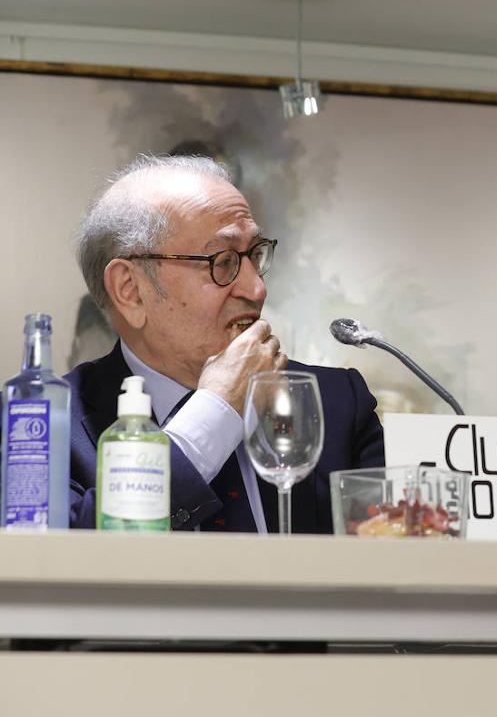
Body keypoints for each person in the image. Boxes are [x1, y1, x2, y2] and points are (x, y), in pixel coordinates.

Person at [67, 155, 384, 532]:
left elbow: (396, 561)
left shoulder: (337, 404)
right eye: (223, 261)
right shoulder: (47, 423)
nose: (256, 289)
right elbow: (53, 560)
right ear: (130, 290)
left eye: (255, 255)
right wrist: (214, 414)